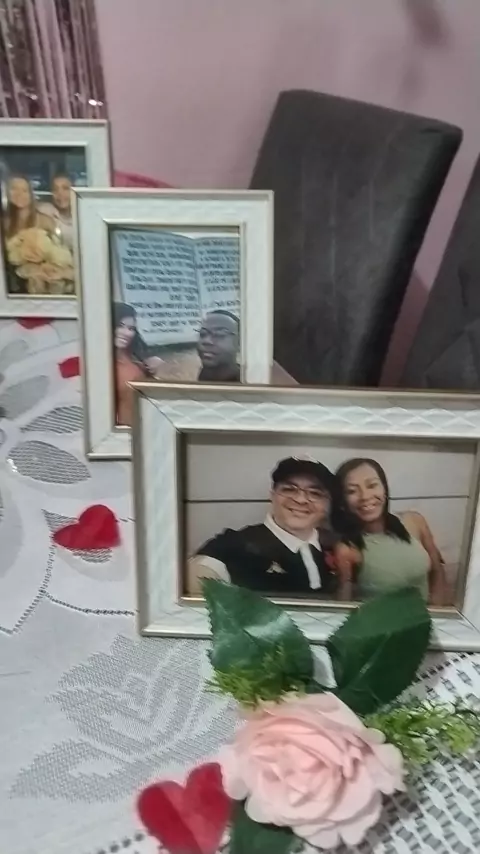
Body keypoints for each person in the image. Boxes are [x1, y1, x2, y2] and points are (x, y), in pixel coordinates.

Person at [187, 457, 342, 598]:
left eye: (315, 493)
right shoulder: (237, 543)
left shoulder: (339, 545)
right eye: (289, 489)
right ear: (272, 495)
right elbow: (200, 573)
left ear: (327, 504)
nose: (301, 500)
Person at [331, 457, 447, 605]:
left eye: (372, 485)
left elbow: (437, 570)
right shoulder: (346, 549)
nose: (365, 496)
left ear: (384, 489)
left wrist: (438, 611)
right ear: (342, 501)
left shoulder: (414, 521)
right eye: (352, 491)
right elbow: (343, 604)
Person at [113, 302, 164, 426]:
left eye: (131, 329)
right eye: (120, 326)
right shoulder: (100, 363)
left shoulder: (135, 356)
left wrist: (152, 370)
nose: (126, 333)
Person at [197, 310, 240, 382]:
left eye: (219, 334)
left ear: (239, 342)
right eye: (203, 334)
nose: (206, 341)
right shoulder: (204, 375)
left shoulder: (248, 380)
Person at [37, 173, 74, 249]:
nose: (60, 193)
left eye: (65, 188)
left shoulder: (83, 215)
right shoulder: (45, 211)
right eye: (55, 189)